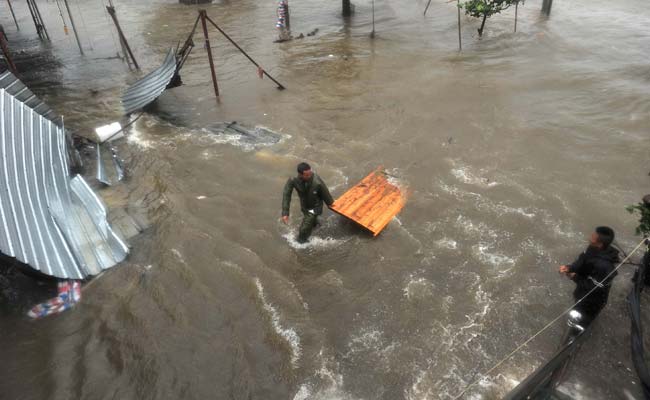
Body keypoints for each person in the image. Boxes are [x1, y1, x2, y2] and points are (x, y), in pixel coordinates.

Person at [559, 226, 619, 327]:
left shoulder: (605, 268)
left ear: (600, 244)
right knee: (577, 306)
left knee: (582, 321)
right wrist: (570, 268)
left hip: (593, 301)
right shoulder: (592, 248)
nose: (589, 238)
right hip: (582, 291)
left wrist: (574, 277)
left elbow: (593, 288)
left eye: (592, 237)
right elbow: (581, 260)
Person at [282, 162, 334, 243]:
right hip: (305, 206)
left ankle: (300, 244)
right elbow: (286, 194)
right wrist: (285, 213)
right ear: (300, 174)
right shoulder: (293, 179)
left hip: (315, 208)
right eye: (307, 175)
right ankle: (317, 226)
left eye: (310, 173)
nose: (310, 176)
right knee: (312, 223)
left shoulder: (317, 181)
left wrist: (331, 204)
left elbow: (327, 196)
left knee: (303, 229)